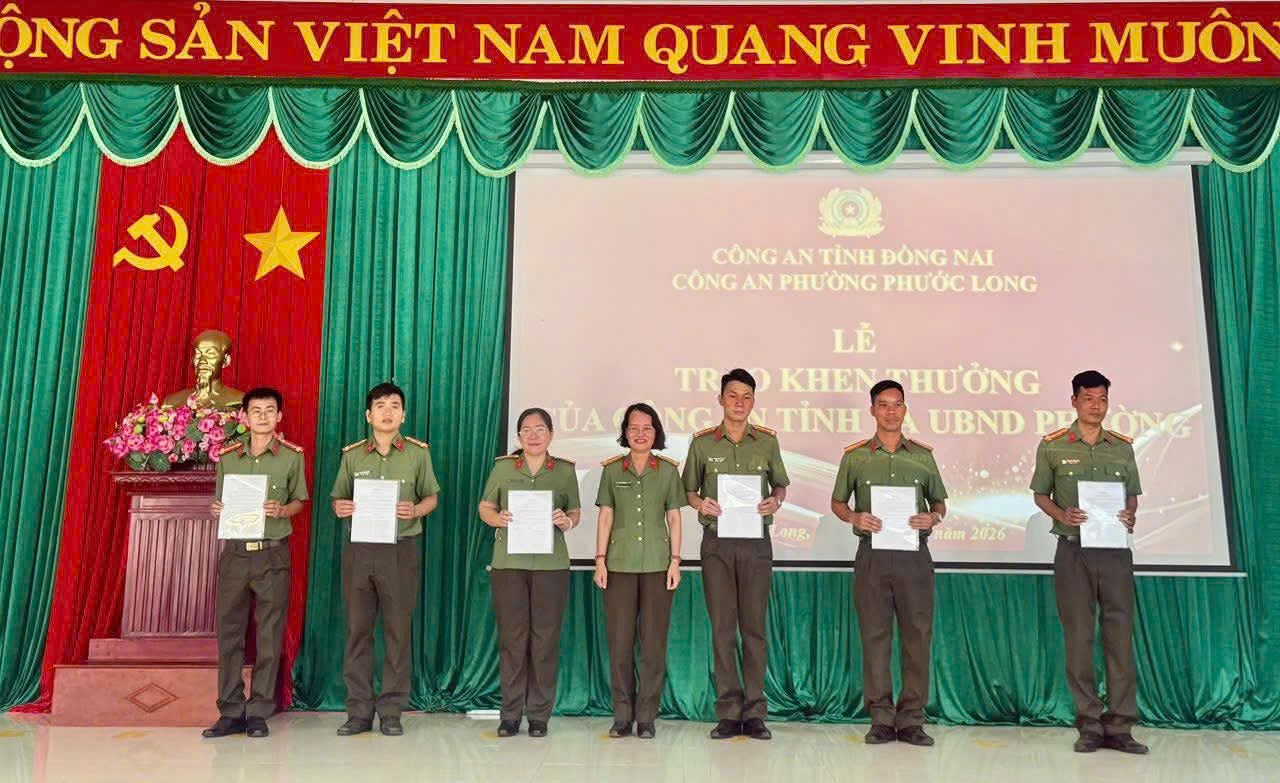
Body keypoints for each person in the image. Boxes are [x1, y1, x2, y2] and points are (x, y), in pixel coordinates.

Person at [1030, 370, 1147, 755]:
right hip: (1073, 551)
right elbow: (1040, 495)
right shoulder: (1052, 446)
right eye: (1088, 399)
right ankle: (1090, 724)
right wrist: (1062, 514)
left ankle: (1121, 725)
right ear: (1074, 402)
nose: (1096, 406)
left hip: (1115, 553)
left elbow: (1131, 495)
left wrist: (1130, 514)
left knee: (1119, 638)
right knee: (1079, 639)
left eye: (1102, 399)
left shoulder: (1122, 448)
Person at [830, 380, 947, 747]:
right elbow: (837, 503)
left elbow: (940, 504)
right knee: (875, 638)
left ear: (905, 410)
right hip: (873, 557)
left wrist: (933, 518)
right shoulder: (856, 457)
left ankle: (912, 720)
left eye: (897, 404)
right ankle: (881, 719)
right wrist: (854, 517)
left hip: (914, 557)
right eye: (883, 405)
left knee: (917, 638)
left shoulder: (923, 456)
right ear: (873, 410)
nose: (891, 411)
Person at [682, 368, 789, 740]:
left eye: (746, 396)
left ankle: (755, 712)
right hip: (717, 544)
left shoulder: (767, 442)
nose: (739, 402)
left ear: (753, 401)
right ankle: (728, 712)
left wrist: (775, 501)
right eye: (732, 395)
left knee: (754, 629)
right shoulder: (702, 444)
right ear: (720, 399)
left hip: (756, 543)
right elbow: (688, 491)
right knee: (723, 629)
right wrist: (701, 503)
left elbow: (780, 485)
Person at [330, 382, 440, 737]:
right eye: (380, 405)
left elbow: (431, 497)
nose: (387, 411)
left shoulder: (418, 454)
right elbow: (338, 500)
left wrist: (416, 509)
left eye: (394, 405)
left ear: (403, 415)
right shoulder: (352, 456)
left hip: (400, 549)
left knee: (397, 631)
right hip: (360, 550)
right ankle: (359, 712)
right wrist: (340, 507)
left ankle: (391, 711)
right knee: (357, 631)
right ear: (368, 415)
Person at [202, 387, 307, 739]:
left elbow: (300, 501)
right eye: (256, 411)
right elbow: (220, 502)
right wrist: (216, 508)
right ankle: (230, 711)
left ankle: (259, 710)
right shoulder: (228, 457)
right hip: (235, 554)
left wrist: (283, 509)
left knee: (269, 634)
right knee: (229, 633)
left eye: (270, 410)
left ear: (280, 416)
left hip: (272, 553)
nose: (263, 416)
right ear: (244, 417)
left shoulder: (292, 457)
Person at [478, 407, 581, 738]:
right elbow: (485, 507)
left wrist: (566, 521)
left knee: (545, 641)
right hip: (509, 564)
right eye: (526, 430)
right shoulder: (503, 467)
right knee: (512, 639)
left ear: (551, 434)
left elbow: (575, 512)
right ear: (518, 436)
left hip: (551, 566)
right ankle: (510, 715)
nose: (533, 435)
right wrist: (497, 519)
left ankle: (538, 715)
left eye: (540, 429)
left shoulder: (564, 470)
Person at [593, 403, 684, 739]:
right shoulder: (612, 470)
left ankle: (646, 717)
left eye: (647, 428)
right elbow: (605, 516)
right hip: (619, 565)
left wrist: (675, 561)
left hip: (658, 566)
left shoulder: (668, 471)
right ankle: (622, 716)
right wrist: (600, 560)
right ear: (625, 433)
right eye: (634, 428)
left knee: (653, 645)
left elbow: (674, 517)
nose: (640, 434)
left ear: (655, 432)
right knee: (620, 644)